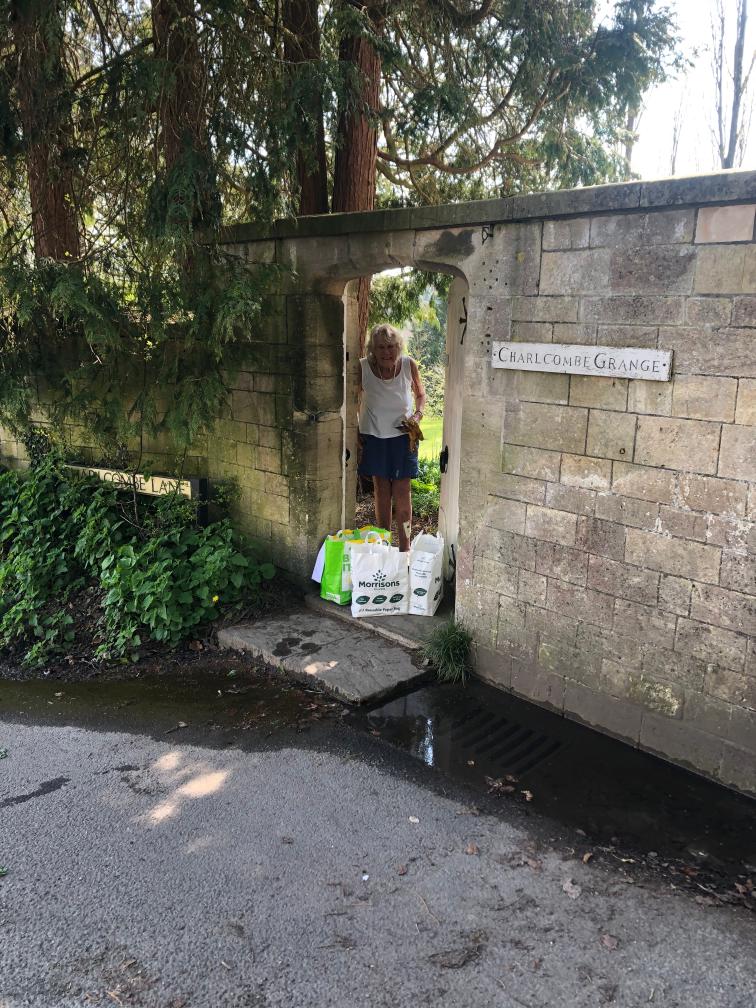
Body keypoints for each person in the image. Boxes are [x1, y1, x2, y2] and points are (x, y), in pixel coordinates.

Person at [357, 323, 426, 552]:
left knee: (402, 494)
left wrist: (417, 415)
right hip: (374, 437)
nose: (386, 352)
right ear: (372, 350)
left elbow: (420, 394)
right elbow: (350, 399)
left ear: (398, 347)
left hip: (403, 438)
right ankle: (384, 547)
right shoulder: (363, 368)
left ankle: (405, 550)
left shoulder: (409, 365)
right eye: (380, 347)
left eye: (391, 346)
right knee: (381, 494)